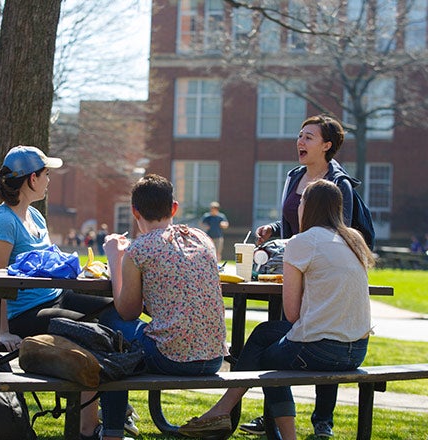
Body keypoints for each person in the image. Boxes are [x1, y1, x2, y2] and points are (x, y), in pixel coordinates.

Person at [179, 179, 375, 439]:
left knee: (267, 358)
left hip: (324, 349)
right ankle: (222, 410)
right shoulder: (354, 240)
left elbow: (292, 314)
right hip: (357, 350)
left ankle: (275, 432)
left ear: (309, 207)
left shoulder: (302, 242)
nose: (298, 207)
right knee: (264, 332)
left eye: (302, 201)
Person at [245, 114, 368, 438]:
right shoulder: (294, 176)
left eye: (309, 137)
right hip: (293, 265)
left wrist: (304, 252)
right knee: (281, 332)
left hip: (320, 275)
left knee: (315, 328)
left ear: (327, 145)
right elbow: (290, 225)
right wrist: (274, 229)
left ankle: (321, 422)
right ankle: (271, 415)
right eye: (300, 135)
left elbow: (340, 233)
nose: (300, 141)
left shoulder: (338, 184)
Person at [0, 145, 113, 438]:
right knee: (89, 330)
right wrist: (2, 331)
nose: (49, 180)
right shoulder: (4, 220)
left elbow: (47, 264)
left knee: (115, 307)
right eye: (45, 174)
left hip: (57, 296)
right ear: (31, 179)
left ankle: (112, 410)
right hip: (27, 314)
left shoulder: (37, 218)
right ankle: (89, 428)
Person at [99, 174, 229, 440]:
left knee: (110, 334)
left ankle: (111, 430)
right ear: (174, 208)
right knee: (125, 334)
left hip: (172, 358)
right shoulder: (203, 239)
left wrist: (115, 258)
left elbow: (126, 312)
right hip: (214, 358)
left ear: (135, 211)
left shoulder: (140, 249)